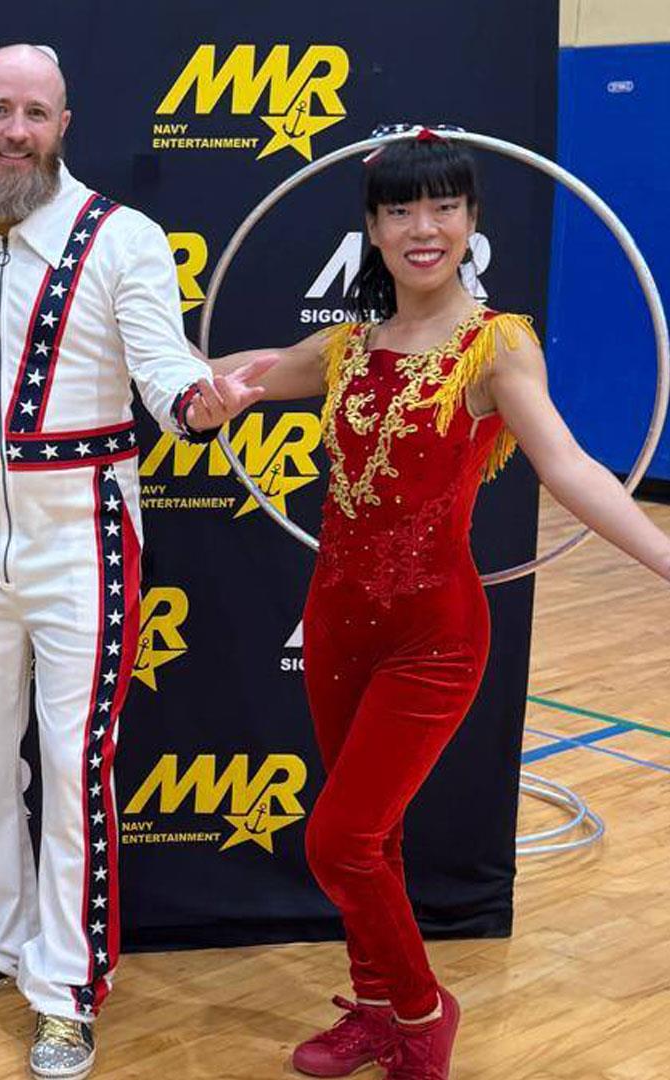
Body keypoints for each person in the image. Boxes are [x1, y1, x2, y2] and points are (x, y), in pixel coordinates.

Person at [207, 131, 670, 1080]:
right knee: (373, 843)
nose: (424, 228)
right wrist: (202, 389)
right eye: (400, 211)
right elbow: (249, 372)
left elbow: (570, 465)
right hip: (337, 625)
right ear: (372, 231)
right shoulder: (348, 345)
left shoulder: (495, 347)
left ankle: (420, 1014)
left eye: (444, 209)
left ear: (471, 224)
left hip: (433, 635)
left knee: (339, 839)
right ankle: (373, 1005)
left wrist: (665, 558)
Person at [0, 44, 269, 1079]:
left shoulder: (121, 238)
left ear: (65, 124)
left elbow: (164, 368)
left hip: (83, 529)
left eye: (35, 114)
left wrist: (202, 402)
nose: (15, 131)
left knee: (71, 761)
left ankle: (64, 986)